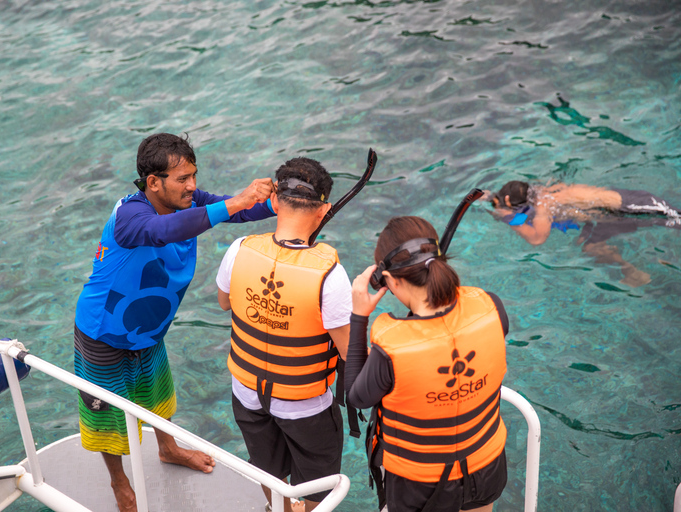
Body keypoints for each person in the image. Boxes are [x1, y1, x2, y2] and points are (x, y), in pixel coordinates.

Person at [74, 132, 276, 512]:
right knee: (110, 425)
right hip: (103, 333)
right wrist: (236, 201)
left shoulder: (190, 201)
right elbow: (164, 231)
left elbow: (241, 211)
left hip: (148, 331)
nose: (193, 186)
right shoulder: (130, 217)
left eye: (193, 176)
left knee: (159, 397)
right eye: (182, 179)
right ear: (153, 183)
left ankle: (167, 449)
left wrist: (285, 202)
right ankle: (119, 482)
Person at [345, 216, 510, 512]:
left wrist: (359, 317)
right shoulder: (492, 306)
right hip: (486, 464)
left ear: (391, 280)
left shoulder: (392, 346)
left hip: (420, 483)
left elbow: (356, 397)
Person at [216, 157, 352, 512]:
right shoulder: (330, 275)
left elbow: (224, 303)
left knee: (268, 468)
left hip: (246, 392)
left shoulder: (240, 248)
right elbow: (350, 353)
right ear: (323, 211)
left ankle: (277, 508)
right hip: (303, 403)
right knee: (318, 486)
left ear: (274, 202)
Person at [485, 180, 681, 286]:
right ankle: (631, 271)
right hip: (619, 207)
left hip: (632, 209)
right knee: (591, 247)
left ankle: (634, 271)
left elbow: (537, 238)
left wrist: (505, 218)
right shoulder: (545, 190)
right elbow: (582, 209)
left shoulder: (543, 207)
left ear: (510, 201)